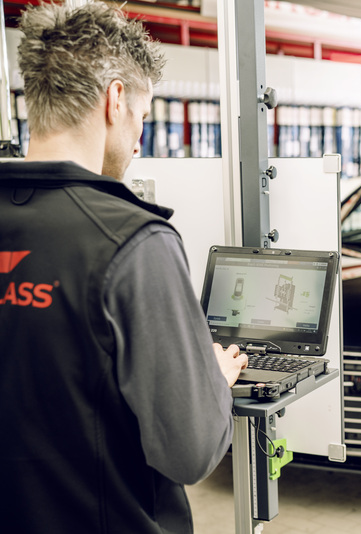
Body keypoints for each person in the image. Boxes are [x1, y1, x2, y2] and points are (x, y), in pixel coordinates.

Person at [0, 3, 247, 533]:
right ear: (115, 100)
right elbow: (191, 452)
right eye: (143, 116)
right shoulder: (135, 242)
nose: (139, 139)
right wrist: (214, 382)